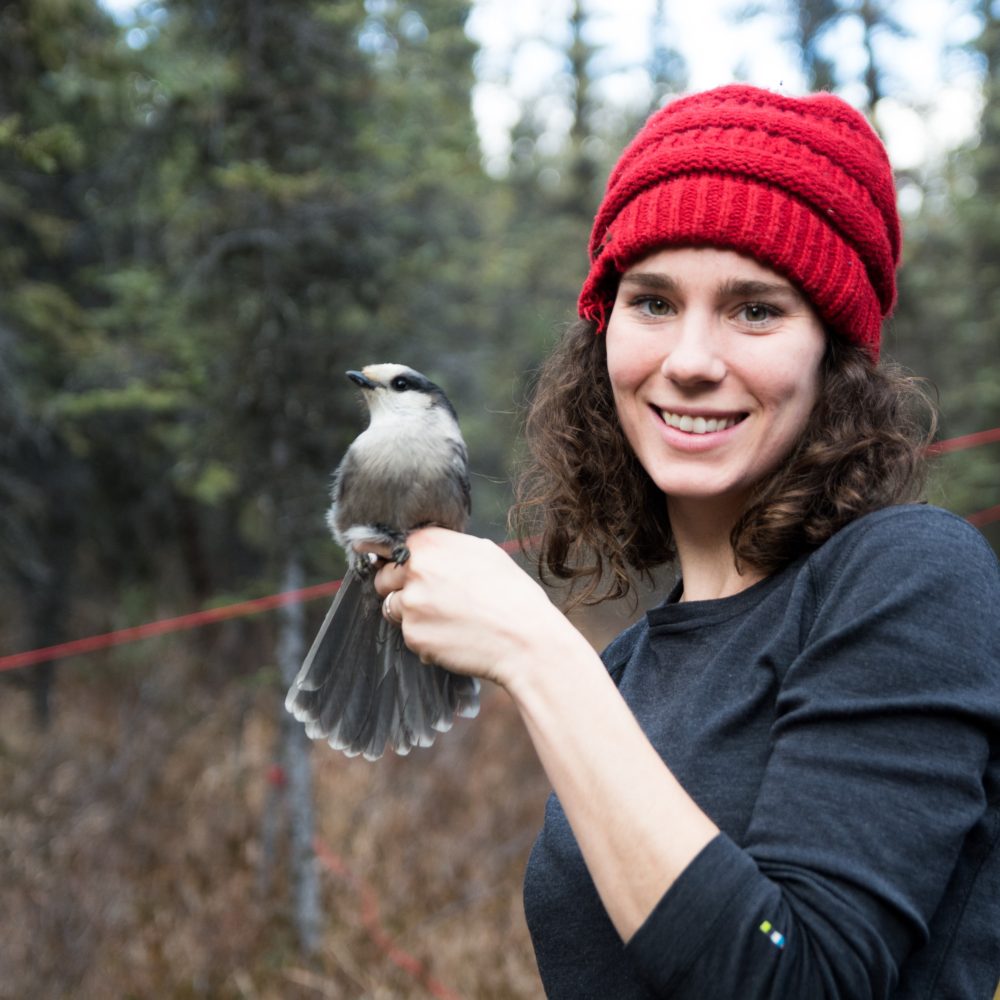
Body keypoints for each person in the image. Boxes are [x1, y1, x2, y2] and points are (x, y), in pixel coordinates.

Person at [369, 85, 1000, 998]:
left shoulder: (909, 578)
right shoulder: (631, 669)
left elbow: (801, 979)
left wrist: (537, 652)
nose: (693, 360)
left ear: (833, 353)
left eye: (755, 310)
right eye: (653, 301)